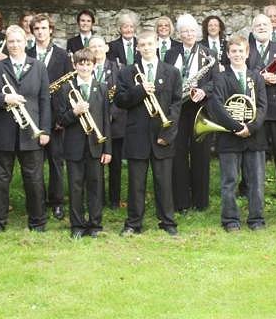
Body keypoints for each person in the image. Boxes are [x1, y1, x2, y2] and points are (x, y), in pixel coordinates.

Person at [0, 25, 51, 235]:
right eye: (11, 41)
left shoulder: (38, 67)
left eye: (18, 41)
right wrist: (4, 98)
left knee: (34, 179)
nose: (14, 45)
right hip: (2, 133)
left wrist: (45, 129)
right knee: (0, 180)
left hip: (31, 132)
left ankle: (38, 222)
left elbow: (45, 100)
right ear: (7, 43)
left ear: (26, 42)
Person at [114, 30, 182, 236]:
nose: (146, 48)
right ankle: (133, 223)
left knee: (164, 183)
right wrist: (140, 90)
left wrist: (167, 133)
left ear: (157, 45)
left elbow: (176, 104)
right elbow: (120, 100)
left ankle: (168, 222)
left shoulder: (171, 72)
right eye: (142, 45)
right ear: (137, 48)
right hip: (137, 135)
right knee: (136, 184)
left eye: (149, 44)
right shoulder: (126, 72)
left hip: (162, 134)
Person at [205, 35, 268, 231]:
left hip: (254, 136)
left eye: (241, 51)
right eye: (233, 51)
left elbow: (263, 106)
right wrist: (237, 127)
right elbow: (217, 106)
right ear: (228, 54)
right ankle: (230, 220)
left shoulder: (256, 77)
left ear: (247, 53)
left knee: (256, 182)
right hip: (229, 137)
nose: (237, 54)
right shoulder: (221, 78)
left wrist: (251, 127)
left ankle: (256, 219)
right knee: (229, 181)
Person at [55, 48, 112, 238]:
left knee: (96, 186)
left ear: (94, 65)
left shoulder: (102, 88)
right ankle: (77, 226)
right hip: (74, 147)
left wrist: (107, 149)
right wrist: (74, 112)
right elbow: (61, 119)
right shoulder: (65, 89)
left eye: (88, 64)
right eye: (81, 64)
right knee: (75, 186)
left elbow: (106, 121)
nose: (85, 67)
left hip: (96, 145)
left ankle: (95, 225)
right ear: (75, 65)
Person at [165, 14, 216, 212]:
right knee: (178, 153)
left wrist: (204, 91)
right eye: (184, 31)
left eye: (191, 30)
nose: (188, 34)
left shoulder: (208, 53)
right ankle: (181, 202)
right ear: (178, 34)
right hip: (178, 108)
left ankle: (200, 201)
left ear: (197, 31)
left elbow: (215, 80)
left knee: (201, 154)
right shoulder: (170, 53)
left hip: (199, 108)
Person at [26, 13, 72, 220]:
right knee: (33, 163)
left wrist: (62, 117)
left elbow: (68, 86)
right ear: (32, 31)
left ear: (50, 30)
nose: (40, 32)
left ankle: (57, 202)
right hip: (32, 114)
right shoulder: (26, 54)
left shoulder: (63, 55)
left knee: (56, 161)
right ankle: (36, 202)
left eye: (44, 28)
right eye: (36, 29)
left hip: (55, 116)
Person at [247, 13, 276, 203]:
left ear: (272, 27)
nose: (261, 27)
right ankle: (250, 187)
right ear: (252, 29)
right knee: (253, 150)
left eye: (265, 24)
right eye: (257, 25)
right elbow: (239, 75)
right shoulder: (245, 50)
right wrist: (260, 78)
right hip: (254, 108)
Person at [89, 36, 127, 209]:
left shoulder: (118, 68)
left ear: (106, 48)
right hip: (91, 123)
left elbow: (121, 95)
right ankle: (97, 198)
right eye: (93, 47)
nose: (96, 49)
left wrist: (112, 114)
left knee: (116, 163)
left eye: (99, 46)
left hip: (115, 123)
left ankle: (114, 200)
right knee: (94, 163)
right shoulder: (84, 67)